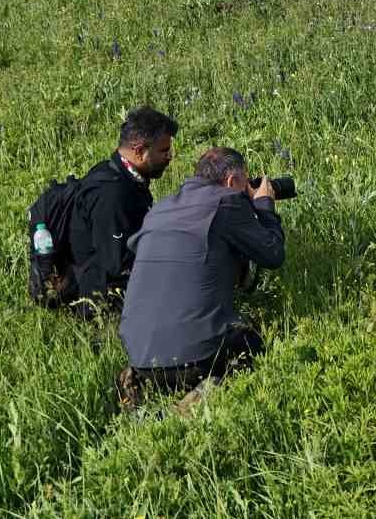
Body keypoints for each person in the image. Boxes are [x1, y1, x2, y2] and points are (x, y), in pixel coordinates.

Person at [117, 146, 285, 411]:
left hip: (140, 355)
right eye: (245, 181)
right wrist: (264, 206)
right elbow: (273, 254)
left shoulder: (160, 210)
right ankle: (201, 395)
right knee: (252, 342)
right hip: (195, 360)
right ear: (231, 181)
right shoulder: (227, 202)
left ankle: (141, 386)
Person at [65, 106, 177, 317]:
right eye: (163, 151)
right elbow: (116, 265)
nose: (169, 157)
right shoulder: (111, 195)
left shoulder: (121, 174)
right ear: (139, 151)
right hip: (102, 300)